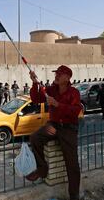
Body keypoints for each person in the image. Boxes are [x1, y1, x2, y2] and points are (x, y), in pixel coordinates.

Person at [27, 65, 82, 200]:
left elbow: (75, 110)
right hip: (54, 125)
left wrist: (58, 105)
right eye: (56, 73)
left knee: (72, 164)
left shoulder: (74, 92)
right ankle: (42, 169)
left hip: (68, 128)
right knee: (35, 138)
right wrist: (35, 83)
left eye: (59, 74)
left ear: (67, 78)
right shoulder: (51, 90)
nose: (56, 76)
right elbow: (37, 98)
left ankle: (74, 195)